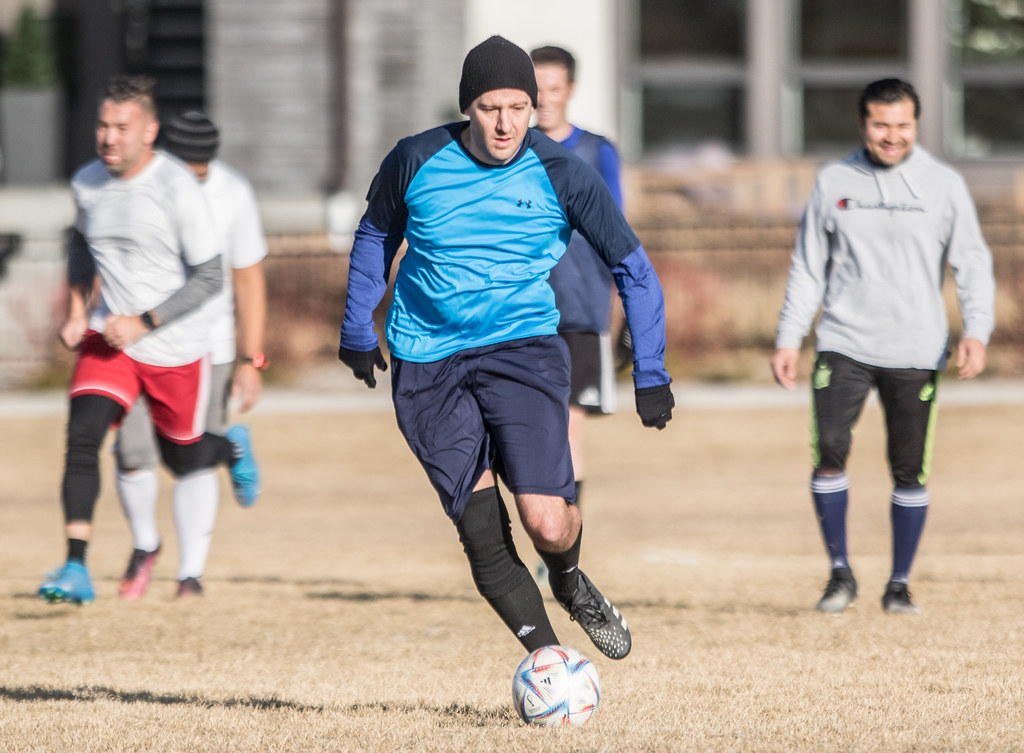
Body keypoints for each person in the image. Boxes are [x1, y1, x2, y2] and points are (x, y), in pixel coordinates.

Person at [337, 35, 674, 661]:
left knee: (546, 519)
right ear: (469, 106)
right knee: (481, 531)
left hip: (521, 349)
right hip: (426, 357)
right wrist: (358, 327)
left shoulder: (564, 172)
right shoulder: (416, 158)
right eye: (491, 107)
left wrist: (650, 372)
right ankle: (551, 662)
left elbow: (635, 269)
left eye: (519, 107)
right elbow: (375, 233)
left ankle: (569, 578)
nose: (505, 124)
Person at [771, 78, 995, 615]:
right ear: (863, 124)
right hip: (843, 342)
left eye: (902, 125)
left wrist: (977, 331)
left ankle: (898, 584)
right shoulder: (834, 182)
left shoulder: (943, 185)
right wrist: (788, 336)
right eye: (880, 125)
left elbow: (972, 263)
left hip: (916, 348)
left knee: (909, 469)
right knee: (828, 455)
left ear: (916, 125)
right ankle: (839, 575)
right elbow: (808, 268)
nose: (891, 136)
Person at [37, 75, 261, 605]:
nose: (108, 137)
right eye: (102, 124)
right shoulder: (87, 182)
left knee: (183, 461)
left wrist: (144, 321)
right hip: (110, 340)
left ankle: (228, 446)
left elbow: (211, 277)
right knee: (84, 434)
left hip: (175, 346)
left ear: (149, 132)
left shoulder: (175, 189)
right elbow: (81, 245)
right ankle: (74, 567)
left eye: (122, 126)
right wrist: (76, 310)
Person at [113, 111, 268, 600]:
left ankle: (190, 575)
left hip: (209, 347)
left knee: (191, 462)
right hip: (138, 344)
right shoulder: (131, 187)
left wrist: (250, 359)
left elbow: (248, 276)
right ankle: (144, 547)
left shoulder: (233, 193)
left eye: (201, 172)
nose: (193, 181)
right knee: (132, 453)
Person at [530, 44, 622, 514]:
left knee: (569, 426)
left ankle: (564, 538)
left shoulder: (596, 152)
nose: (544, 99)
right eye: (535, 89)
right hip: (519, 311)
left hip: (580, 311)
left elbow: (617, 234)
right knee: (524, 427)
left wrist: (622, 312)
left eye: (553, 88)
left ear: (570, 90)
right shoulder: (512, 151)